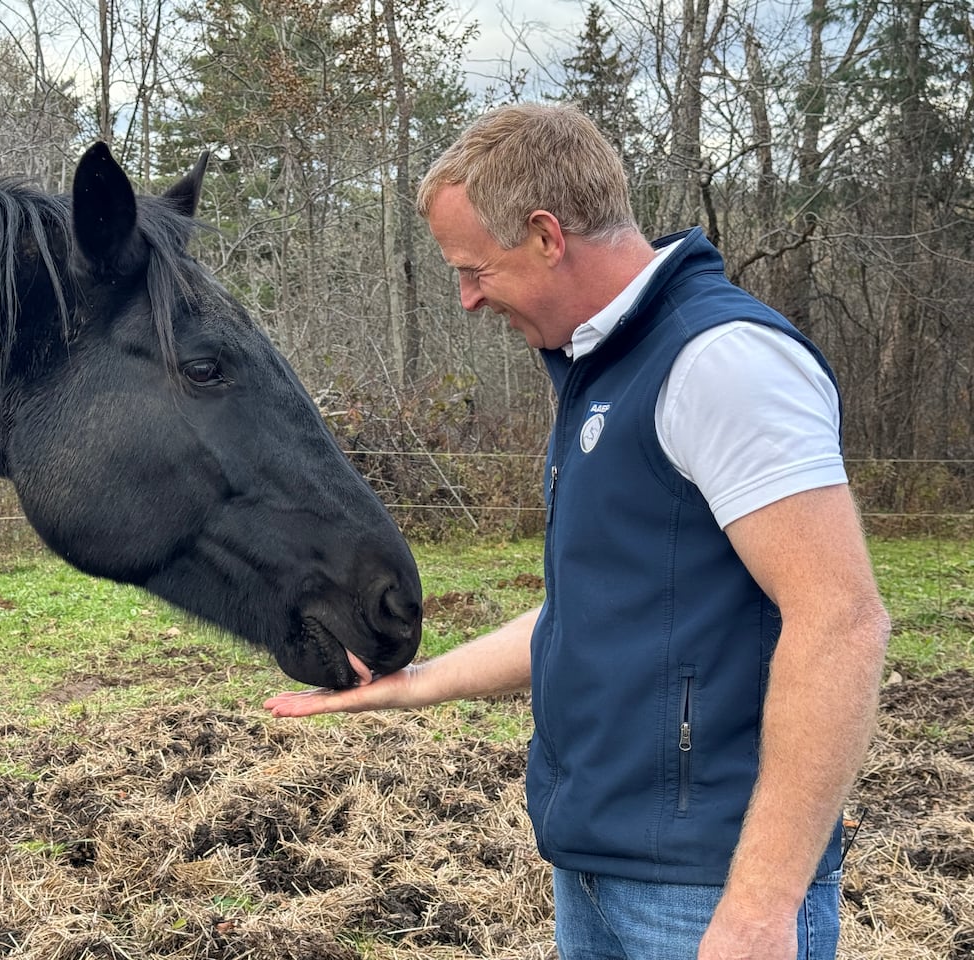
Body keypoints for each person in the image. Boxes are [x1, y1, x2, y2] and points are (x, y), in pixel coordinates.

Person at [265, 102, 891, 960]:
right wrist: (412, 685)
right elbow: (594, 611)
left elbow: (840, 619)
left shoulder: (721, 362)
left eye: (475, 269)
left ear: (547, 236)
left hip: (707, 895)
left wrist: (761, 906)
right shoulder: (600, 369)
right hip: (596, 871)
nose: (467, 299)